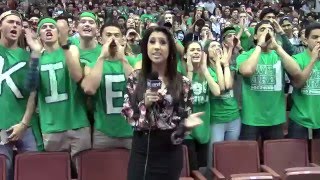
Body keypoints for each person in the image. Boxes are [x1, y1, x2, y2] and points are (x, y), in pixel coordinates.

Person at [121, 27, 203, 180]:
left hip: (170, 154)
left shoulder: (183, 83)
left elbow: (179, 133)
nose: (157, 46)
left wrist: (185, 127)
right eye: (152, 42)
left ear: (170, 49)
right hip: (142, 152)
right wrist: (144, 104)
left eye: (163, 42)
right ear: (146, 48)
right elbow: (130, 118)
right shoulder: (135, 79)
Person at [32, 17, 91, 171]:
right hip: (51, 127)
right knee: (57, 173)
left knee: (85, 172)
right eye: (43, 27)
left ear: (59, 33)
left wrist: (65, 47)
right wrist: (34, 55)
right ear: (39, 36)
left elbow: (77, 76)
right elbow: (31, 88)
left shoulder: (71, 49)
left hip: (77, 123)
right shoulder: (36, 58)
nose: (48, 29)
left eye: (52, 26)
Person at [236, 20, 301, 141]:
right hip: (251, 118)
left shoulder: (279, 55)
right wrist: (259, 46)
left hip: (275, 118)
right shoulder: (245, 56)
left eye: (270, 29)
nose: (267, 32)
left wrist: (277, 47)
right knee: (250, 157)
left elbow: (296, 71)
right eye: (262, 29)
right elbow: (247, 71)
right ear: (255, 36)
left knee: (275, 157)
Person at [81, 22, 134, 150]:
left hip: (132, 131)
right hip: (103, 131)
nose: (113, 39)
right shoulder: (92, 64)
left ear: (122, 39)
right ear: (100, 39)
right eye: (108, 35)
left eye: (117, 35)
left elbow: (137, 86)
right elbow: (89, 89)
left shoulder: (134, 61)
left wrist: (123, 59)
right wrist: (101, 58)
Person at [0, 10, 39, 180]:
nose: (15, 25)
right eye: (10, 22)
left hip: (26, 126)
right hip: (1, 126)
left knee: (33, 171)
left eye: (18, 23)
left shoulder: (28, 58)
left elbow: (32, 93)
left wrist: (23, 124)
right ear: (0, 26)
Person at [183, 41, 220, 172]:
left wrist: (204, 70)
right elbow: (184, 98)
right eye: (192, 50)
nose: (196, 52)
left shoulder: (207, 70)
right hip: (187, 129)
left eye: (198, 50)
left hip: (203, 127)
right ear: (185, 55)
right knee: (191, 168)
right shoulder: (179, 70)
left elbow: (217, 91)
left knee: (202, 168)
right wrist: (190, 71)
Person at [288, 23, 320, 139]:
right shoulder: (296, 59)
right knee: (297, 157)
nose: (319, 40)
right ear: (305, 40)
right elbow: (298, 83)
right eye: (315, 37)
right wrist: (313, 60)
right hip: (300, 120)